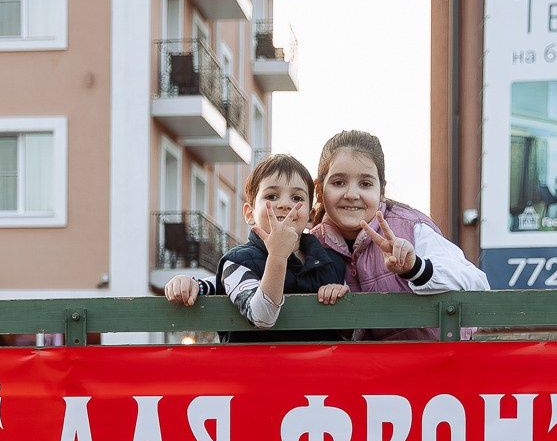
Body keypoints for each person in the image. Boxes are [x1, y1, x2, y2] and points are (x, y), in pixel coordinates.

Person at [309, 128, 487, 339]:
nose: (352, 194)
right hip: (374, 359)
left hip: (437, 354)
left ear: (381, 191)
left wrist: (416, 268)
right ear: (319, 190)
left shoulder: (410, 228)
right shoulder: (312, 244)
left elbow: (477, 285)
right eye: (338, 182)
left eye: (365, 184)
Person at [164, 154, 349, 341]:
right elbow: (262, 317)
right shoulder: (236, 263)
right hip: (256, 360)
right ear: (249, 213)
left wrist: (341, 295)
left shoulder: (333, 263)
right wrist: (277, 255)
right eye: (271, 196)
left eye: (296, 197)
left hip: (320, 361)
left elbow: (351, 330)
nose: (285, 204)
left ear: (310, 217)